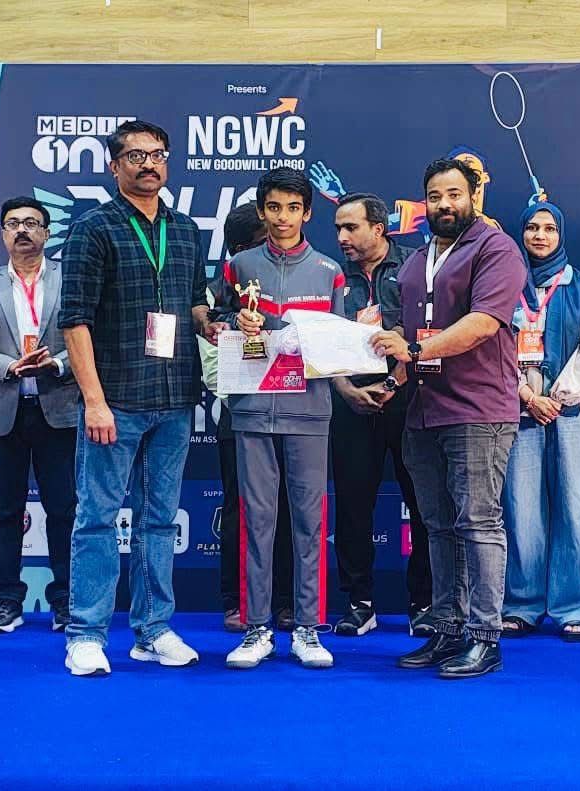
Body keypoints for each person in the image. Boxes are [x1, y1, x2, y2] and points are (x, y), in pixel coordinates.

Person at [58, 120, 223, 677]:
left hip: (174, 398)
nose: (148, 164)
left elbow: (193, 302)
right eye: (135, 156)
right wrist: (94, 401)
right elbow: (75, 321)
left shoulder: (185, 229)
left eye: (157, 154)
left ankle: (153, 630)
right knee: (97, 520)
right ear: (115, 166)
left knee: (159, 520)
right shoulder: (93, 228)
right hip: (116, 400)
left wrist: (214, 325)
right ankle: (85, 634)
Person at [371, 158, 526, 679]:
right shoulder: (416, 261)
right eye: (435, 196)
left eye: (454, 194)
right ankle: (448, 628)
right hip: (423, 409)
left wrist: (414, 350)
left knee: (478, 523)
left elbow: (483, 323)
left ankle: (485, 636)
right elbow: (407, 337)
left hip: (478, 409)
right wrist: (391, 381)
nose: (444, 205)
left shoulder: (496, 249)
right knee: (436, 526)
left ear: (474, 196)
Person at [215, 167, 345, 670]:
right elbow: (214, 321)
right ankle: (257, 629)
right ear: (261, 211)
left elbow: (337, 344)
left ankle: (308, 628)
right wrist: (234, 321)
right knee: (256, 520)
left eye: (293, 208)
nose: (283, 218)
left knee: (310, 522)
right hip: (251, 409)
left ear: (307, 213)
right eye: (274, 208)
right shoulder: (238, 266)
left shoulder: (329, 271)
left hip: (309, 411)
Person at [0, 196, 78, 634]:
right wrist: (9, 366)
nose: (22, 230)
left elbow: (90, 336)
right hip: (2, 409)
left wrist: (57, 364)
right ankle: (6, 600)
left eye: (31, 223)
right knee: (4, 510)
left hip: (58, 408)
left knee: (64, 509)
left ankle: (66, 601)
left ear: (47, 232)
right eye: (13, 224)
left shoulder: (69, 278)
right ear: (3, 234)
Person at [500, 198, 580, 642]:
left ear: (561, 235)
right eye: (532, 228)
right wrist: (528, 396)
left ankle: (575, 606)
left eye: (549, 228)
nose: (540, 235)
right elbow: (493, 349)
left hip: (575, 408)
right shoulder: (505, 285)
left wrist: (556, 398)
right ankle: (522, 604)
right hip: (518, 407)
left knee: (577, 508)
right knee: (521, 510)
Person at [328, 192, 433, 638]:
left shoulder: (415, 267)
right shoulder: (332, 275)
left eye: (350, 227)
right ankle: (359, 604)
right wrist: (347, 391)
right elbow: (322, 346)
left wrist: (391, 384)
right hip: (351, 403)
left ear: (378, 228)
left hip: (409, 401)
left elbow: (424, 334)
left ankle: (424, 603)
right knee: (353, 507)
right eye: (338, 228)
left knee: (424, 505)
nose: (342, 237)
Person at [201, 203, 296, 633]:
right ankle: (237, 600)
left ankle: (286, 601)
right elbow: (214, 371)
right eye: (265, 240)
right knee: (242, 509)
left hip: (293, 411)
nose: (277, 245)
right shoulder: (215, 294)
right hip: (240, 413)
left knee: (291, 508)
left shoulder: (294, 280)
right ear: (241, 250)